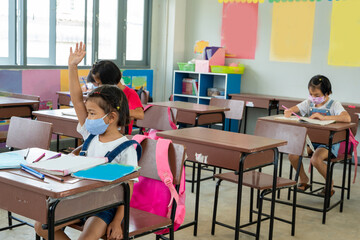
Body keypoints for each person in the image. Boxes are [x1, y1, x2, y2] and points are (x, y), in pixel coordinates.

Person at [35, 42, 138, 240]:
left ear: (111, 117)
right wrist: (72, 66)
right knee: (41, 225)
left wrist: (117, 222)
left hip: (105, 206)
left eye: (92, 113)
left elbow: (128, 187)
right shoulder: (90, 133)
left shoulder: (126, 148)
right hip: (80, 197)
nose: (87, 117)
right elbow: (76, 98)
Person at [284, 75, 351, 196]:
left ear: (328, 93)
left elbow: (347, 118)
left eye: (317, 95)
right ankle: (304, 179)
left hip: (328, 144)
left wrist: (324, 117)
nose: (313, 98)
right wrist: (289, 111)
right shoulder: (309, 103)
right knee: (293, 155)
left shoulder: (334, 104)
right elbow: (296, 108)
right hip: (312, 141)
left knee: (316, 159)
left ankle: (329, 184)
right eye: (311, 94)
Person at [87, 60, 144, 134]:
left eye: (99, 83)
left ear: (108, 81)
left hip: (120, 135)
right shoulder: (100, 93)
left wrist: (120, 112)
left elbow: (140, 115)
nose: (98, 86)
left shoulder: (130, 93)